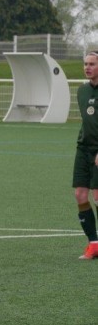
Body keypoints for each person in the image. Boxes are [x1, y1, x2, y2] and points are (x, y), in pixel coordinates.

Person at [72, 50, 98, 259]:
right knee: (80, 194)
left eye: (92, 64)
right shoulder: (81, 91)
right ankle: (93, 244)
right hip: (83, 149)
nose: (87, 67)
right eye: (85, 64)